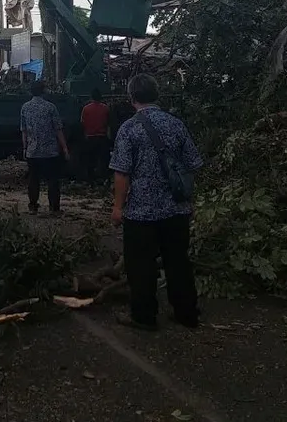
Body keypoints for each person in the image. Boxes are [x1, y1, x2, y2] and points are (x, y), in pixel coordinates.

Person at [109, 74, 204, 331]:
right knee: (178, 262)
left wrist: (118, 207)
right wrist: (188, 199)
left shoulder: (129, 129)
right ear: (157, 95)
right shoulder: (176, 124)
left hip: (141, 213)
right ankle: (186, 313)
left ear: (132, 98)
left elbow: (121, 173)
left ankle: (144, 317)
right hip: (176, 209)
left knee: (141, 266)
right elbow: (192, 165)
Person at [19, 80, 69, 214]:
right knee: (52, 180)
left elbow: (24, 130)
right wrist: (64, 148)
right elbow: (58, 129)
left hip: (32, 151)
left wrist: (25, 148)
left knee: (33, 180)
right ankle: (54, 208)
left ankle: (33, 206)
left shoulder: (25, 107)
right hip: (50, 152)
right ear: (43, 91)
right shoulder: (50, 107)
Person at [81, 89, 111, 182]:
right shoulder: (106, 108)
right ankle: (104, 179)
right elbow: (108, 124)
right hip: (102, 137)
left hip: (90, 137)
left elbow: (82, 123)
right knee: (103, 160)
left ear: (91, 97)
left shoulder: (86, 108)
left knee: (90, 160)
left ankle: (91, 180)